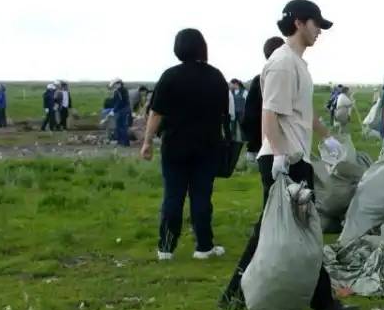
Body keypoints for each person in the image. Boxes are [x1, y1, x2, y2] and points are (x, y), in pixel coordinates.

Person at [221, 0, 354, 310]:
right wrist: (281, 157)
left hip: (296, 156)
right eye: (316, 24)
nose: (319, 31)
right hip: (285, 159)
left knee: (292, 228)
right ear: (298, 22)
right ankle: (319, 301)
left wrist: (327, 138)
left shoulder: (298, 64)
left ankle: (238, 296)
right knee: (290, 229)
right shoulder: (282, 63)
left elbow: (301, 113)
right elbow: (270, 115)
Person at [139, 29, 231, 261]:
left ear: (178, 48)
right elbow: (224, 114)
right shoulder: (216, 76)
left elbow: (156, 113)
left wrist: (147, 142)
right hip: (208, 146)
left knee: (173, 196)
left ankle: (166, 248)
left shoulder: (170, 76)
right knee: (201, 197)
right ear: (202, 47)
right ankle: (204, 247)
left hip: (175, 146)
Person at [242, 37, 287, 159]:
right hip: (277, 139)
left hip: (265, 140)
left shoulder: (260, 79)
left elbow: (249, 115)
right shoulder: (287, 78)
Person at [109, 79, 132, 147]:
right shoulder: (121, 90)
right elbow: (116, 101)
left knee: (122, 127)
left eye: (115, 84)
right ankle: (121, 142)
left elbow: (119, 102)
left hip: (123, 110)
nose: (114, 86)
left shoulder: (120, 91)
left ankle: (125, 143)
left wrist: (113, 110)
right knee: (120, 126)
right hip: (122, 110)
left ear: (119, 84)